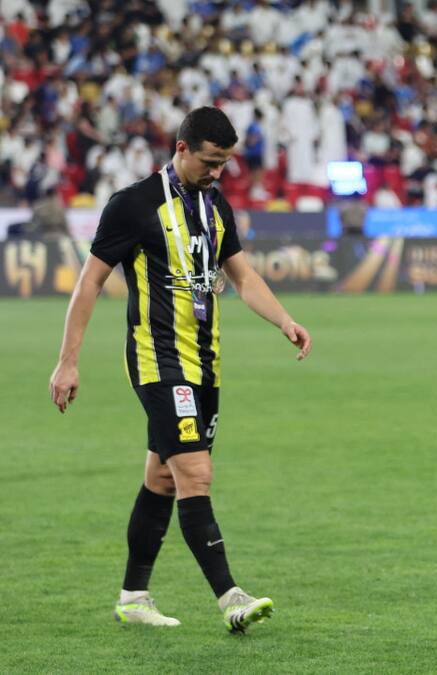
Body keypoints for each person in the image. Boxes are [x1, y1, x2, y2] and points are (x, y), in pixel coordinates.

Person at [48, 106, 312, 633]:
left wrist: (284, 320)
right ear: (182, 148)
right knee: (196, 473)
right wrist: (68, 361)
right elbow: (90, 283)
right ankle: (230, 597)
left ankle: (133, 595)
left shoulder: (214, 207)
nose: (217, 173)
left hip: (204, 363)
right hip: (157, 361)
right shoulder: (134, 205)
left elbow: (242, 276)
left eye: (225, 165)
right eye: (210, 162)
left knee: (163, 479)